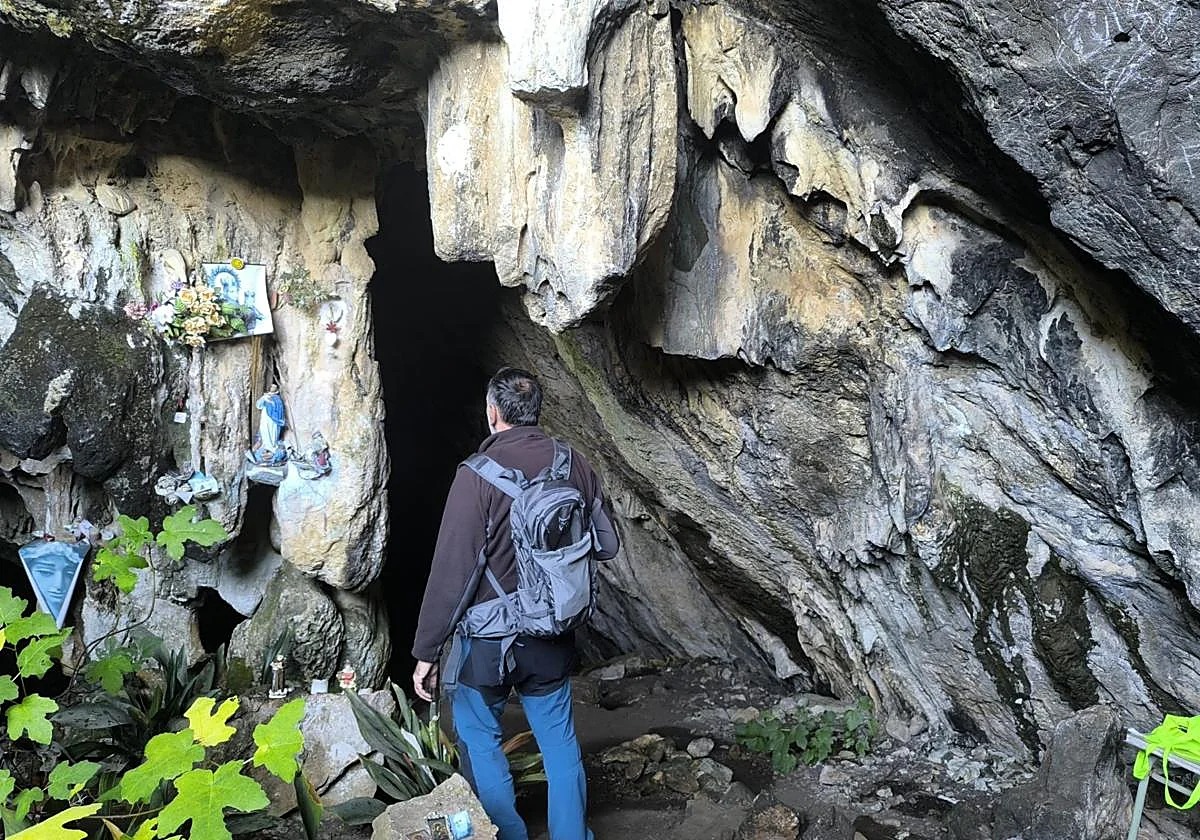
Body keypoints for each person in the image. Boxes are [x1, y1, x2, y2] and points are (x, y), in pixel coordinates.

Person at [412, 367, 620, 840]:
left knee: (481, 739)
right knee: (560, 742)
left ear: (493, 413)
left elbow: (452, 571)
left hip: (489, 644)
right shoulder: (574, 465)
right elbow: (606, 546)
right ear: (536, 411)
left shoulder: (475, 477)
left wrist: (426, 651)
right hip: (552, 633)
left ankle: (505, 834)